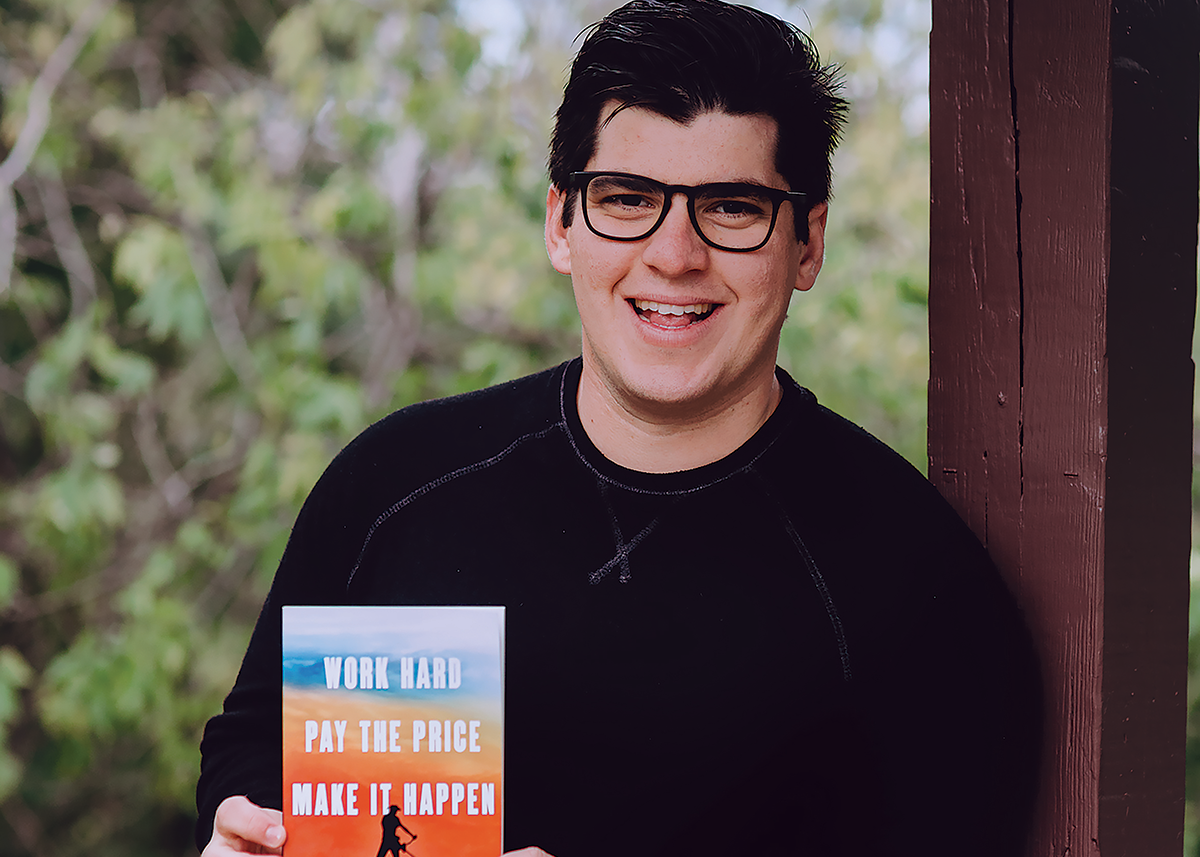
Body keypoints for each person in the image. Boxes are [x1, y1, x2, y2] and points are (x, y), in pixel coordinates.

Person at [196, 2, 1042, 856]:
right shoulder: (400, 487)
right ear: (562, 222)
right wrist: (246, 825)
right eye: (629, 198)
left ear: (807, 243)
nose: (674, 253)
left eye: (733, 207)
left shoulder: (913, 580)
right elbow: (259, 751)